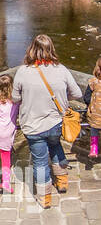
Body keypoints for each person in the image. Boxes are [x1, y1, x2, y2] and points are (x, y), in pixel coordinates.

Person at [11, 35, 86, 204]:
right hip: (56, 123)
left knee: (40, 161)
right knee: (56, 147)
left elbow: (15, 98)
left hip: (33, 125)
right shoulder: (61, 69)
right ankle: (62, 182)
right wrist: (62, 97)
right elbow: (78, 94)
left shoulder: (23, 71)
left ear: (32, 49)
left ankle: (45, 197)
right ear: (51, 48)